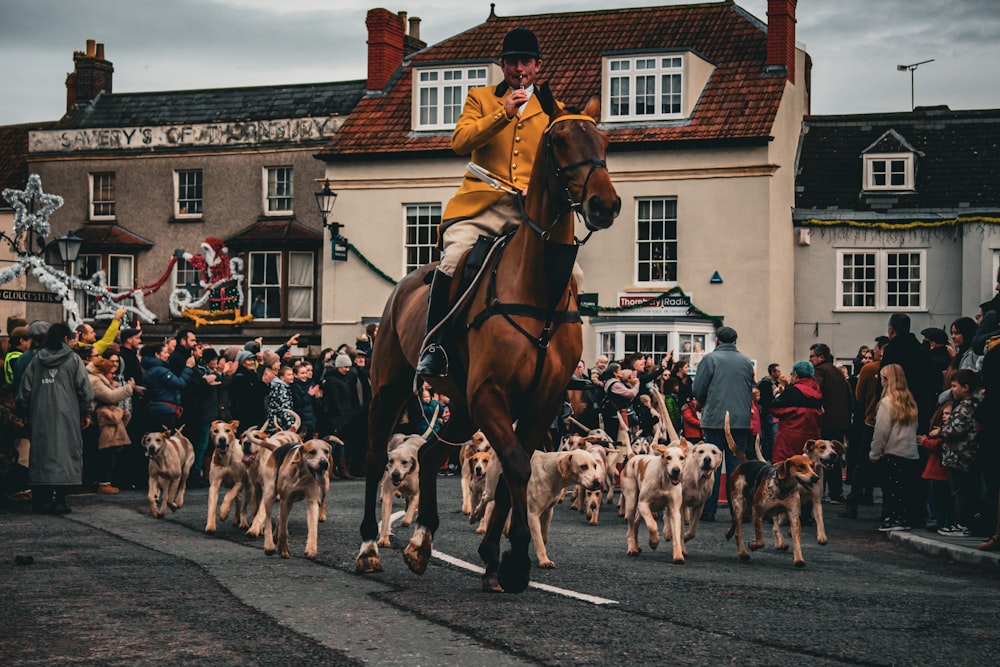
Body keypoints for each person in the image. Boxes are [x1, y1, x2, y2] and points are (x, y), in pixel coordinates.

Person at [416, 26, 561, 376]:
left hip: (527, 213)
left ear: (538, 66)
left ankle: (561, 360)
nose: (519, 69)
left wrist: (538, 189)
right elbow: (460, 142)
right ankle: (434, 346)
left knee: (572, 273)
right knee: (452, 260)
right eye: (512, 62)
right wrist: (503, 114)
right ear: (502, 65)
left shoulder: (551, 108)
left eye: (526, 62)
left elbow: (557, 161)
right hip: (480, 206)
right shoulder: (480, 98)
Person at [15, 322, 94, 514]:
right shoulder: (73, 360)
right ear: (66, 339)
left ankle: (41, 499)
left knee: (42, 454)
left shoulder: (36, 360)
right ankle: (59, 499)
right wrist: (86, 412)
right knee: (65, 453)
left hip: (40, 414)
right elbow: (84, 389)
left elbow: (24, 390)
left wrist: (23, 412)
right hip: (68, 415)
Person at [691, 326, 754, 521]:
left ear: (717, 340)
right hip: (739, 421)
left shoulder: (710, 359)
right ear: (735, 341)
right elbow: (750, 387)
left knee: (710, 464)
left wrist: (701, 402)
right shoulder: (746, 361)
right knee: (737, 466)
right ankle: (739, 510)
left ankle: (708, 509)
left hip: (716, 418)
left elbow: (698, 388)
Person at [842, 336, 890, 518]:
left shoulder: (869, 369)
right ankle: (884, 506)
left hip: (871, 419)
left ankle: (854, 502)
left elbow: (859, 396)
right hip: (892, 421)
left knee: (863, 462)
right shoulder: (897, 370)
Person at [869, 363, 921, 532]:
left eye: (883, 378)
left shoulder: (886, 403)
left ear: (887, 380)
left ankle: (891, 519)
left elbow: (881, 431)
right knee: (904, 490)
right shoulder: (909, 401)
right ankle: (903, 518)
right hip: (910, 452)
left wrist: (874, 453)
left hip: (892, 451)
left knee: (891, 490)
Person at [937, 368, 980, 536]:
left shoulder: (965, 406)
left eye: (955, 386)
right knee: (962, 490)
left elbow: (956, 429)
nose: (952, 389)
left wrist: (940, 432)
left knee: (960, 491)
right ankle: (961, 523)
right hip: (962, 454)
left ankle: (962, 524)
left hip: (960, 454)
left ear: (966, 387)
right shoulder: (972, 404)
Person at [87, 355, 135, 494]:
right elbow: (110, 397)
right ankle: (102, 482)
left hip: (99, 420)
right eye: (110, 372)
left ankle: (101, 481)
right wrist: (128, 388)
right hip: (99, 421)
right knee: (105, 454)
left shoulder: (98, 379)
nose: (112, 376)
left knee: (106, 454)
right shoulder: (95, 381)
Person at [810, 343, 851, 503]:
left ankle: (821, 492)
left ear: (821, 357)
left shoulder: (820, 371)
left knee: (823, 458)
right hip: (840, 422)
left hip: (826, 421)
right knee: (835, 458)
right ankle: (836, 493)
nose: (810, 360)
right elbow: (849, 397)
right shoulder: (838, 372)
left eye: (812, 356)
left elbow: (815, 393)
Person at [769, 360, 823, 463]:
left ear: (796, 374)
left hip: (789, 438)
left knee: (784, 468)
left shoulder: (792, 391)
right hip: (810, 439)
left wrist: (785, 389)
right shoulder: (817, 391)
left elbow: (773, 408)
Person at [141, 341, 195, 431]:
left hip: (156, 408)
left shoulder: (150, 369)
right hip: (165, 411)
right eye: (165, 352)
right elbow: (180, 383)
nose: (168, 355)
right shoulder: (161, 371)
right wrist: (188, 367)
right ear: (157, 355)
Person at [918, 402, 954, 533]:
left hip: (940, 470)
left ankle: (943, 521)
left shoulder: (945, 432)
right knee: (938, 498)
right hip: (937, 469)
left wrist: (925, 442)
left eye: (948, 414)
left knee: (942, 498)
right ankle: (940, 521)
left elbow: (940, 446)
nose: (945, 416)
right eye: (944, 413)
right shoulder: (942, 430)